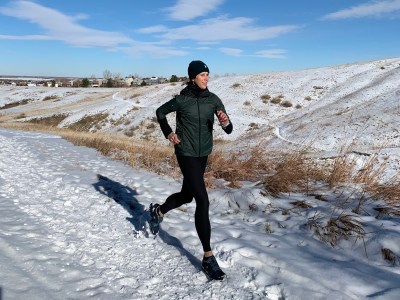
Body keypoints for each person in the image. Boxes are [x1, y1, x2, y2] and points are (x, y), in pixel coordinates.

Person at [150, 60, 233, 280]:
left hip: (203, 154)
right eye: (203, 74)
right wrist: (168, 133)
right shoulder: (181, 100)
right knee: (202, 201)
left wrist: (225, 122)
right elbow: (160, 112)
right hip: (185, 152)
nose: (206, 78)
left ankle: (159, 212)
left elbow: (229, 128)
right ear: (193, 77)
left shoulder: (213, 100)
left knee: (187, 196)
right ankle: (208, 257)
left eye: (208, 74)